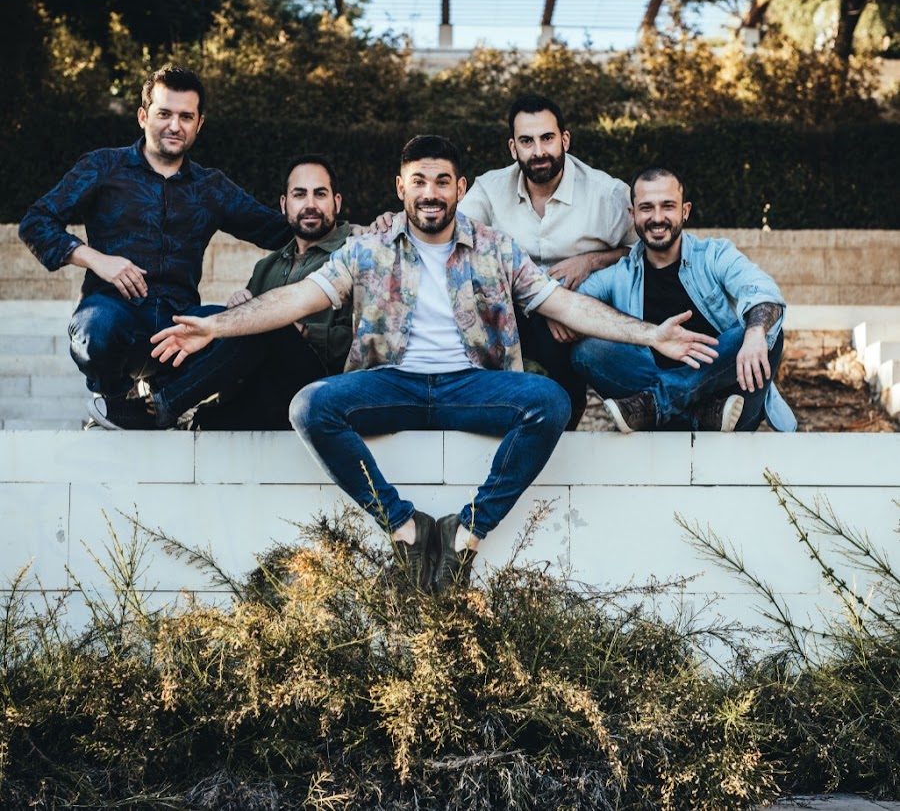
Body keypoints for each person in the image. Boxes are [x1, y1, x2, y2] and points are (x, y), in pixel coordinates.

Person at [149, 136, 718, 593]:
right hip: (389, 383)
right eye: (418, 181)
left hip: (472, 386)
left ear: (460, 189)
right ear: (401, 187)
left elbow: (565, 305)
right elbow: (298, 298)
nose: (430, 193)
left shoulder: (497, 248)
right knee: (310, 406)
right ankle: (405, 525)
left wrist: (651, 334)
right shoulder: (366, 251)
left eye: (442, 181)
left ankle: (467, 530)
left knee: (550, 401)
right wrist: (216, 326)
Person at [18, 66, 292, 430]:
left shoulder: (211, 187)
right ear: (143, 116)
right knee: (97, 327)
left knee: (255, 330)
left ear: (199, 124)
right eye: (164, 114)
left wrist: (357, 231)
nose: (174, 126)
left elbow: (280, 231)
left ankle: (165, 404)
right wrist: (96, 260)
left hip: (182, 328)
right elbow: (36, 222)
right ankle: (115, 403)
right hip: (115, 317)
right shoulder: (104, 166)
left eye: (186, 117)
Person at [374, 96, 634, 429]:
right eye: (527, 141)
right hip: (512, 311)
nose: (538, 151)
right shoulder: (491, 189)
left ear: (565, 140)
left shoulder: (606, 194)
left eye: (547, 138)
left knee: (589, 347)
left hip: (579, 312)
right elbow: (448, 226)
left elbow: (641, 253)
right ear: (513, 147)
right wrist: (394, 221)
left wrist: (592, 261)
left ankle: (616, 412)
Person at [572, 166, 797, 433]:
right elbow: (574, 305)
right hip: (705, 412)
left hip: (731, 404)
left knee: (764, 328)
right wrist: (595, 259)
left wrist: (755, 332)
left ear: (685, 211)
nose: (657, 218)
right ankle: (693, 413)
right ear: (633, 215)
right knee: (587, 351)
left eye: (668, 206)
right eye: (646, 208)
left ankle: (659, 404)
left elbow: (763, 290)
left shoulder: (713, 254)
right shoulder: (620, 274)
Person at [183, 155, 353, 430]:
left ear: (337, 202)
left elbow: (365, 341)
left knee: (270, 325)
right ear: (284, 204)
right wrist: (239, 307)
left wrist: (303, 332)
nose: (310, 204)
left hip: (324, 390)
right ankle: (170, 403)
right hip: (265, 394)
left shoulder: (356, 254)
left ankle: (170, 403)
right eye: (300, 194)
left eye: (320, 194)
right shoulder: (267, 266)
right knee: (202, 320)